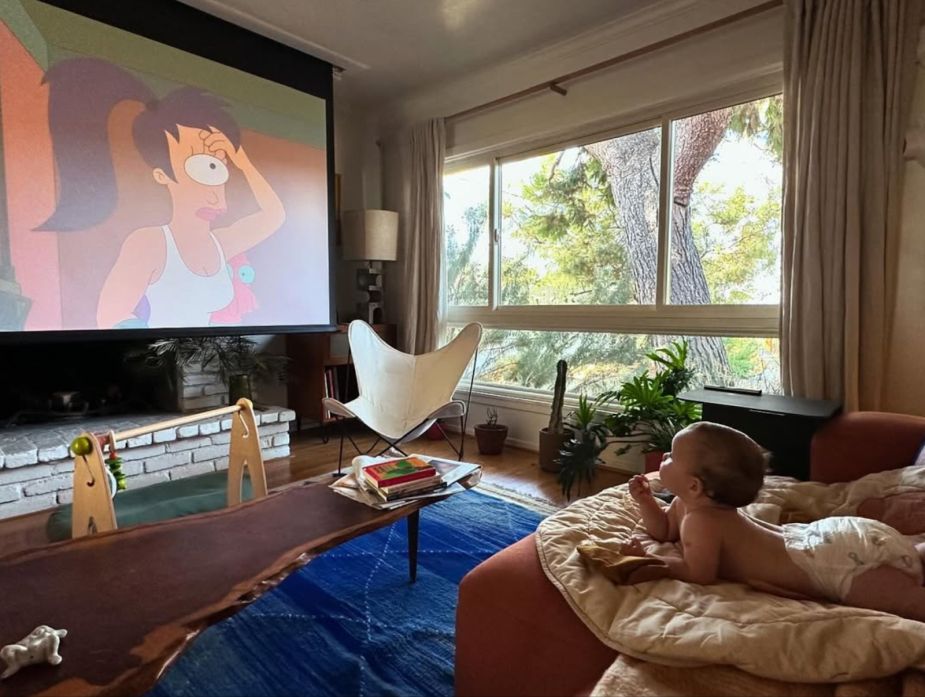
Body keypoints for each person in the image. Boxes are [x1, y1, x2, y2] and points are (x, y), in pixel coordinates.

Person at [37, 57, 285, 329]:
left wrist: (242, 161)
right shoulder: (150, 243)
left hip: (211, 356)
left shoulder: (221, 244)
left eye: (218, 167)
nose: (214, 193)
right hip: (165, 357)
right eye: (199, 168)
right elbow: (110, 316)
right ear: (162, 175)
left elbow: (274, 215)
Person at [622, 421, 925, 621]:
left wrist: (648, 558)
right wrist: (646, 502)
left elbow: (698, 573)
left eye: (671, 456)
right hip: (828, 538)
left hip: (834, 564)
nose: (664, 456)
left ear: (694, 486)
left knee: (906, 602)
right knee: (905, 558)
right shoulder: (685, 504)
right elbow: (664, 531)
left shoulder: (702, 521)